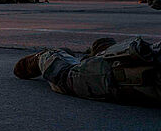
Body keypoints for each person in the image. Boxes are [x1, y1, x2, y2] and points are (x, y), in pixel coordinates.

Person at [13, 36, 159, 107]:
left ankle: (98, 52)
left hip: (141, 68)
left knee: (102, 51)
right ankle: (46, 57)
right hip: (124, 73)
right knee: (65, 77)